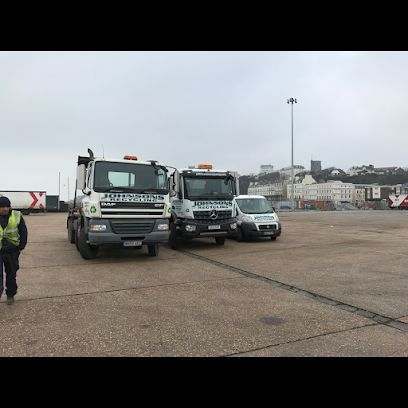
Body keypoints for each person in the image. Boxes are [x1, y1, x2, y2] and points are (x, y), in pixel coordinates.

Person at [0, 196, 28, 305]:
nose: (5, 209)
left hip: (12, 251)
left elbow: (23, 231)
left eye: (7, 206)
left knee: (11, 274)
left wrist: (21, 247)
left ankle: (10, 295)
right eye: (2, 207)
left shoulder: (17, 216)